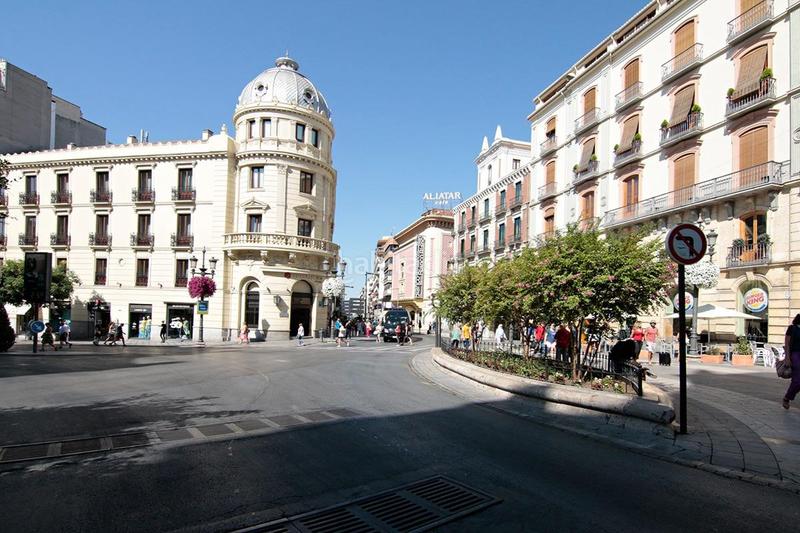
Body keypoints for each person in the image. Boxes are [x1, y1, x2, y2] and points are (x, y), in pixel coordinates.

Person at [782, 314, 800, 409]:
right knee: (797, 381)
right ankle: (787, 398)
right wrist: (787, 358)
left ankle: (788, 397)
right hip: (796, 355)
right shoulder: (792, 328)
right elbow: (787, 344)